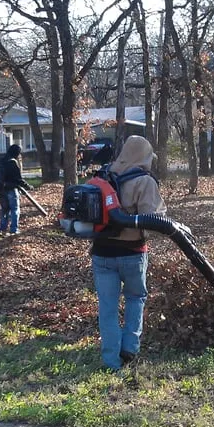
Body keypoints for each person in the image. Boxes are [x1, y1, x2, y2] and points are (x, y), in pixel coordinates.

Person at [90, 135, 166, 372]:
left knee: (108, 308)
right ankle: (130, 348)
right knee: (135, 298)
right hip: (132, 254)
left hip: (102, 253)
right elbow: (152, 221)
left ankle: (111, 361)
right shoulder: (144, 182)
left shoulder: (103, 176)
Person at [0, 144, 32, 235]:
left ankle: (2, 228)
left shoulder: (0, 161)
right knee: (15, 209)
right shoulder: (12, 162)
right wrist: (27, 186)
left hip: (1, 189)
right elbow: (18, 179)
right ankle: (14, 229)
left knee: (4, 210)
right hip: (11, 189)